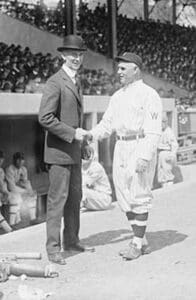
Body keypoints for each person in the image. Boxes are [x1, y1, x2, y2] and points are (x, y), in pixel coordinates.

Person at [88, 52, 162, 260]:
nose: (118, 72)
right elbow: (106, 125)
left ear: (135, 69)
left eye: (123, 68)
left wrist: (145, 156)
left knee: (139, 194)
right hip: (120, 145)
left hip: (140, 143)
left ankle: (136, 244)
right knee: (124, 196)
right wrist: (90, 135)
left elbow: (154, 130)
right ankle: (143, 240)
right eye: (118, 68)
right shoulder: (117, 96)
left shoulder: (149, 94)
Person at [38, 35, 94, 265]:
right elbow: (45, 117)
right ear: (62, 55)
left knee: (75, 198)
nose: (76, 58)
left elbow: (76, 118)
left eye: (80, 54)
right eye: (72, 54)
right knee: (57, 201)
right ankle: (53, 249)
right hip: (59, 153)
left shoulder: (75, 81)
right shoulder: (55, 82)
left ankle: (71, 241)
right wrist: (72, 134)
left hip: (73, 151)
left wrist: (83, 143)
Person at [5, 152, 37, 224]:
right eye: (18, 159)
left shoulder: (23, 169)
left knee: (31, 196)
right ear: (14, 160)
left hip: (19, 190)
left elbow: (25, 183)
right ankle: (12, 223)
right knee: (16, 198)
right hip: (8, 191)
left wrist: (30, 191)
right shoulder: (9, 169)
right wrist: (25, 191)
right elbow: (11, 187)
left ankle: (33, 219)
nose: (20, 161)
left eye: (22, 159)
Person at [81, 146, 112, 211]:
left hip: (104, 198)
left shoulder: (95, 166)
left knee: (80, 189)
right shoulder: (82, 167)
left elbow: (83, 183)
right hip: (95, 196)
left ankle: (78, 207)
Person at [157, 113, 178, 187]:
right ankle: (164, 187)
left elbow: (174, 144)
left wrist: (172, 154)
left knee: (167, 170)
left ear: (166, 122)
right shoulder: (159, 131)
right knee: (161, 172)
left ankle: (170, 188)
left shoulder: (169, 131)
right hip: (160, 153)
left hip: (166, 152)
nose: (162, 124)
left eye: (163, 122)